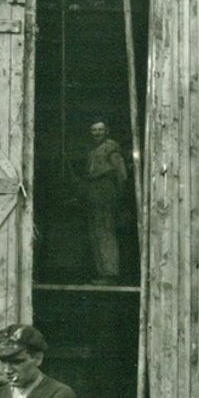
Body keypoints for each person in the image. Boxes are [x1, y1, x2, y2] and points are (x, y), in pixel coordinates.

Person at [83, 120, 128, 283]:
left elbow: (122, 174)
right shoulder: (92, 151)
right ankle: (103, 273)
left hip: (106, 195)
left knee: (106, 233)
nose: (97, 133)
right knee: (96, 233)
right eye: (94, 130)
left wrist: (118, 196)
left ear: (106, 131)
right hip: (94, 197)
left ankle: (110, 273)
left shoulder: (111, 148)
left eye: (100, 129)